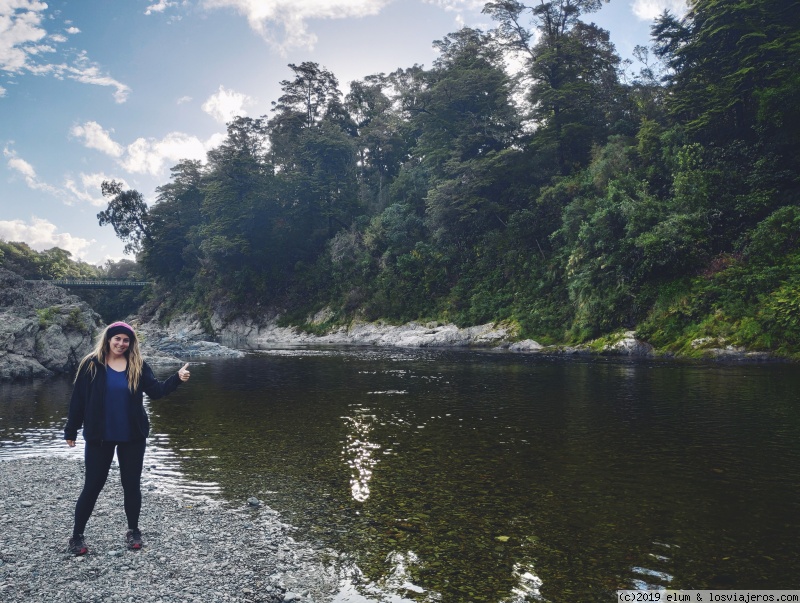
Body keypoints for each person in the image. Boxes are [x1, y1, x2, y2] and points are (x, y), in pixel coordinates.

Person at [63, 321, 190, 556]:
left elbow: (157, 392)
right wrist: (71, 430)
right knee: (92, 486)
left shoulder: (138, 365)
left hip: (132, 436)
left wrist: (177, 378)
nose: (121, 344)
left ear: (131, 343)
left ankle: (133, 531)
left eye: (126, 340)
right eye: (117, 339)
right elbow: (78, 400)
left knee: (131, 485)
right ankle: (77, 536)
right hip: (99, 437)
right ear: (109, 339)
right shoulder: (91, 365)